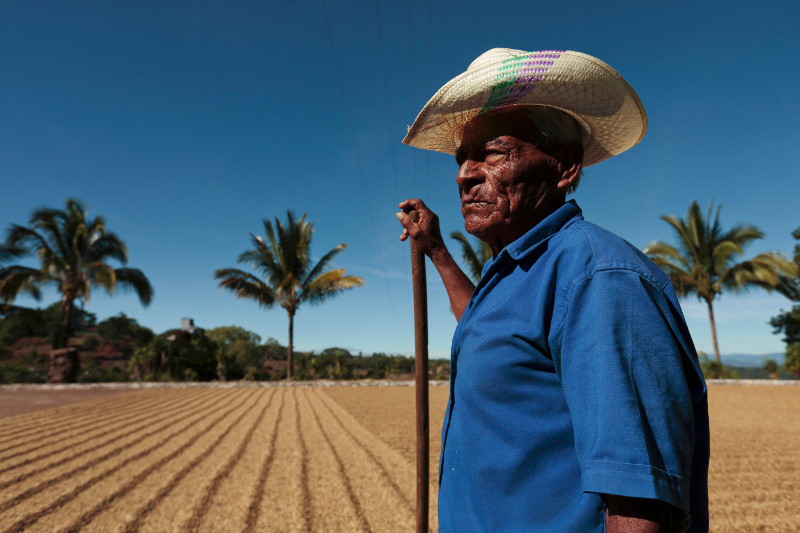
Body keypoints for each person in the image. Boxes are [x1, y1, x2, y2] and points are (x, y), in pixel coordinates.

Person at [395, 49, 709, 532]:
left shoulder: (599, 279)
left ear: (564, 166)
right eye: (461, 159)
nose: (463, 174)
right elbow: (487, 331)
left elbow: (642, 507)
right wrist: (436, 249)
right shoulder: (521, 271)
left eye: (491, 153)